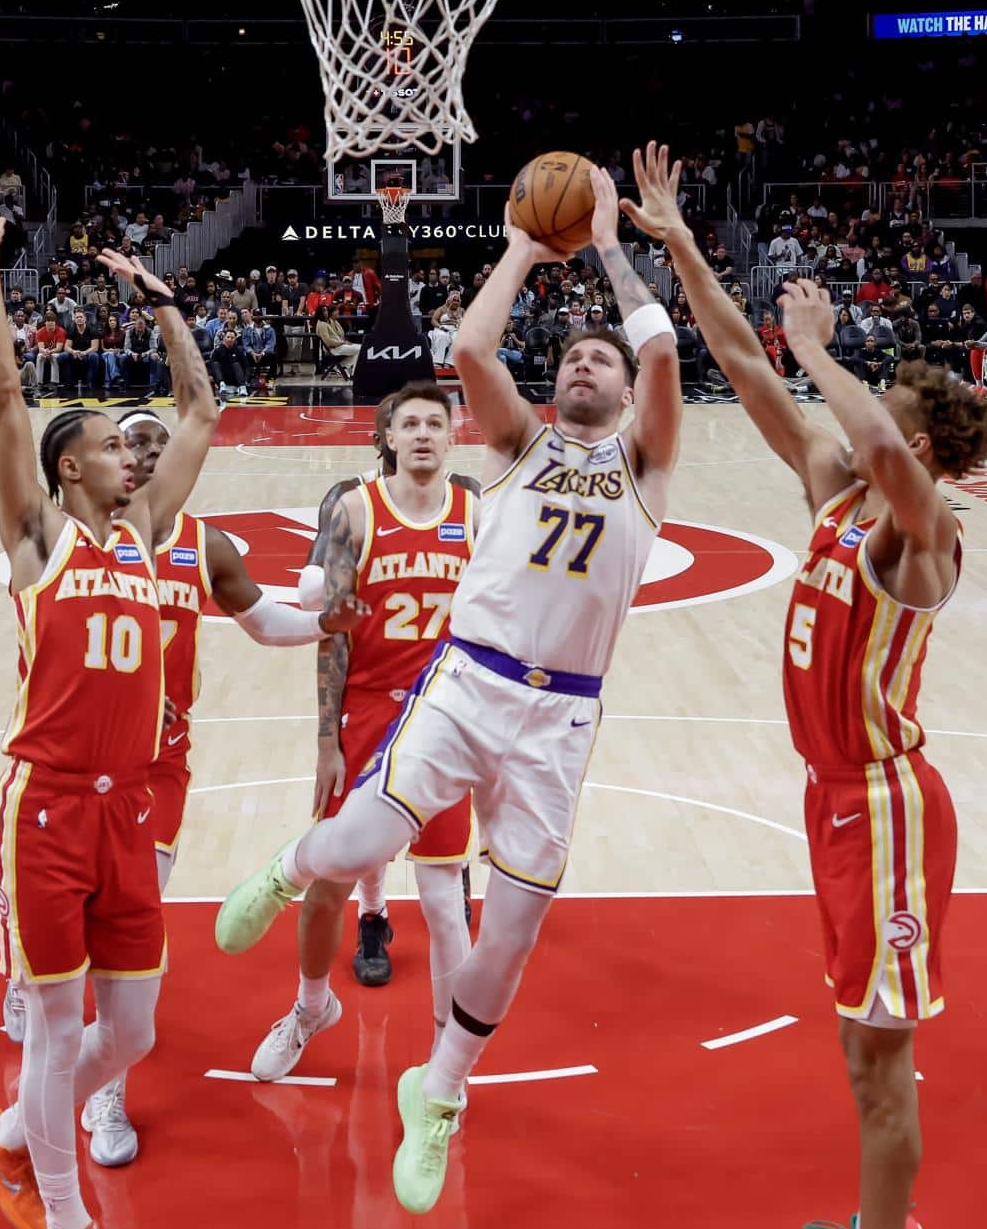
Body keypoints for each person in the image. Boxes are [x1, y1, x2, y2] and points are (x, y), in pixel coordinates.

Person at [214, 145, 682, 1215]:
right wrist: (521, 245)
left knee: (507, 937)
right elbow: (470, 345)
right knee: (364, 836)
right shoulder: (515, 447)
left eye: (599, 363)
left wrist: (609, 245)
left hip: (559, 717)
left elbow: (660, 359)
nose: (583, 368)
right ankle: (290, 868)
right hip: (467, 680)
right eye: (570, 359)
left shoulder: (647, 466)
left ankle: (441, 1092)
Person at [652, 149, 987, 1229]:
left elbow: (880, 437)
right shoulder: (837, 498)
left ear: (920, 447)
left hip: (888, 805)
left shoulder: (924, 535)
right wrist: (681, 245)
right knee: (861, 1043)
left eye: (874, 415)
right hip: (835, 798)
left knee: (876, 1064)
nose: (845, 422)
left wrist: (816, 347)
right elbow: (743, 364)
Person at [0, 186, 224, 1229]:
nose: (130, 457)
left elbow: (200, 413)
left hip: (130, 811)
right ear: (71, 466)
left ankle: (1, 1135)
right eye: (110, 446)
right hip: (47, 807)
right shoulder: (38, 540)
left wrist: (162, 303)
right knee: (57, 1033)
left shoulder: (146, 534)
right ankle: (57, 1206)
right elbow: (5, 394)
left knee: (132, 1033)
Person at [0, 406, 370, 1166]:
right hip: (72, 763)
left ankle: (98, 1089)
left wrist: (329, 622)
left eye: (155, 447)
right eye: (129, 443)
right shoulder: (77, 542)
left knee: (133, 914)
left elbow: (267, 621)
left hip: (156, 763)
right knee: (64, 951)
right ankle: (57, 1040)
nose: (142, 457)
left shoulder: (203, 543)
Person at [246, 383, 483, 1086]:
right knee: (328, 883)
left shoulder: (479, 512)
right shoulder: (354, 511)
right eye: (406, 422)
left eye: (433, 424)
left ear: (452, 436)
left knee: (445, 902)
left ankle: (447, 1064)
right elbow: (332, 635)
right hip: (370, 711)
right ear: (386, 435)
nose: (420, 434)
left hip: (447, 718)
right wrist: (328, 739)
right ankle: (308, 1007)